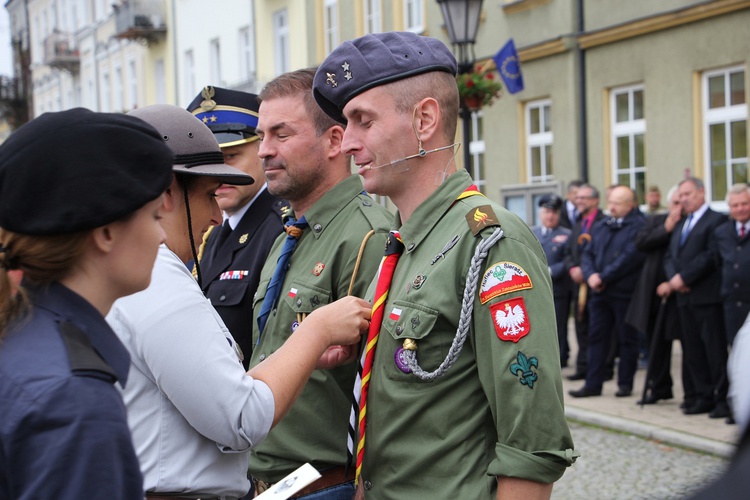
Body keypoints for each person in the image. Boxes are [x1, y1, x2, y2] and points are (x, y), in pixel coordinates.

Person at [314, 31, 576, 499]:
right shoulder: (403, 242)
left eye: (363, 121)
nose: (348, 142)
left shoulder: (491, 242)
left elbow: (531, 448)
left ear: (425, 119)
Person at [106, 104, 371, 499]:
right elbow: (240, 418)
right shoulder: (155, 278)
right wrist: (315, 332)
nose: (217, 214)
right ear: (165, 194)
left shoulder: (129, 271)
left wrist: (301, 357)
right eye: (208, 196)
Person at [0, 108, 174, 498]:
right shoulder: (73, 400)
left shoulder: (20, 339)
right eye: (153, 216)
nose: (161, 236)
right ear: (106, 232)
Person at [248, 68, 393, 498]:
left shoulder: (370, 237)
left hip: (325, 486)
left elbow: (384, 392)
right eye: (260, 136)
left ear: (334, 141)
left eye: (281, 134)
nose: (263, 151)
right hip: (267, 483)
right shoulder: (289, 235)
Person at [187, 86, 289, 368]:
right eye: (210, 163)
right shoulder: (212, 233)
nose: (219, 174)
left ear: (261, 151)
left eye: (230, 157)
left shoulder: (281, 228)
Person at [570, 186, 646, 398]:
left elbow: (629, 258)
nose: (611, 207)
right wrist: (591, 274)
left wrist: (604, 277)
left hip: (623, 291)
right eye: (610, 201)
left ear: (629, 205)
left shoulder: (637, 226)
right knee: (596, 337)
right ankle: (593, 384)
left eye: (617, 203)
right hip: (599, 292)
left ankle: (625, 384)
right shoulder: (602, 225)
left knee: (626, 339)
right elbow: (588, 253)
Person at [663, 177, 728, 418]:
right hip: (682, 298)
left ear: (702, 192)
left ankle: (722, 398)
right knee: (692, 350)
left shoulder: (717, 220)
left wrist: (684, 278)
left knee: (714, 350)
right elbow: (670, 255)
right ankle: (702, 395)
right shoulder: (681, 224)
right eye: (681, 196)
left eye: (688, 194)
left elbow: (711, 256)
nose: (684, 199)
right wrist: (674, 279)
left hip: (706, 296)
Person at [625, 187, 687, 405]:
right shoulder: (657, 221)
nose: (681, 207)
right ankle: (659, 386)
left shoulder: (691, 223)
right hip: (654, 292)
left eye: (684, 202)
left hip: (680, 289)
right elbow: (641, 242)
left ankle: (694, 392)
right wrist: (666, 228)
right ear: (669, 205)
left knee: (687, 343)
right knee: (656, 343)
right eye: (676, 203)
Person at [565, 183, 605, 381]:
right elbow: (569, 250)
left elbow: (601, 252)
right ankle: (582, 366)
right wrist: (573, 267)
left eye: (583, 198)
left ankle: (600, 369)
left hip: (596, 283)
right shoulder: (579, 223)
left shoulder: (603, 221)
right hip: (577, 284)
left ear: (595, 201)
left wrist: (587, 271)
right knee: (580, 325)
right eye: (577, 198)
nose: (578, 201)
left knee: (598, 329)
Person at [532, 194, 572, 367]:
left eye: (554, 212)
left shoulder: (567, 235)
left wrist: (550, 271)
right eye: (547, 211)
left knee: (558, 325)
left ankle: (560, 358)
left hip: (557, 288)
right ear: (540, 213)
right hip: (536, 289)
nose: (550, 216)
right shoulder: (533, 233)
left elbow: (570, 259)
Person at [715, 183, 750, 348]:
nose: (740, 208)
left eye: (744, 203)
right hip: (731, 306)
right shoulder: (722, 233)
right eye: (735, 205)